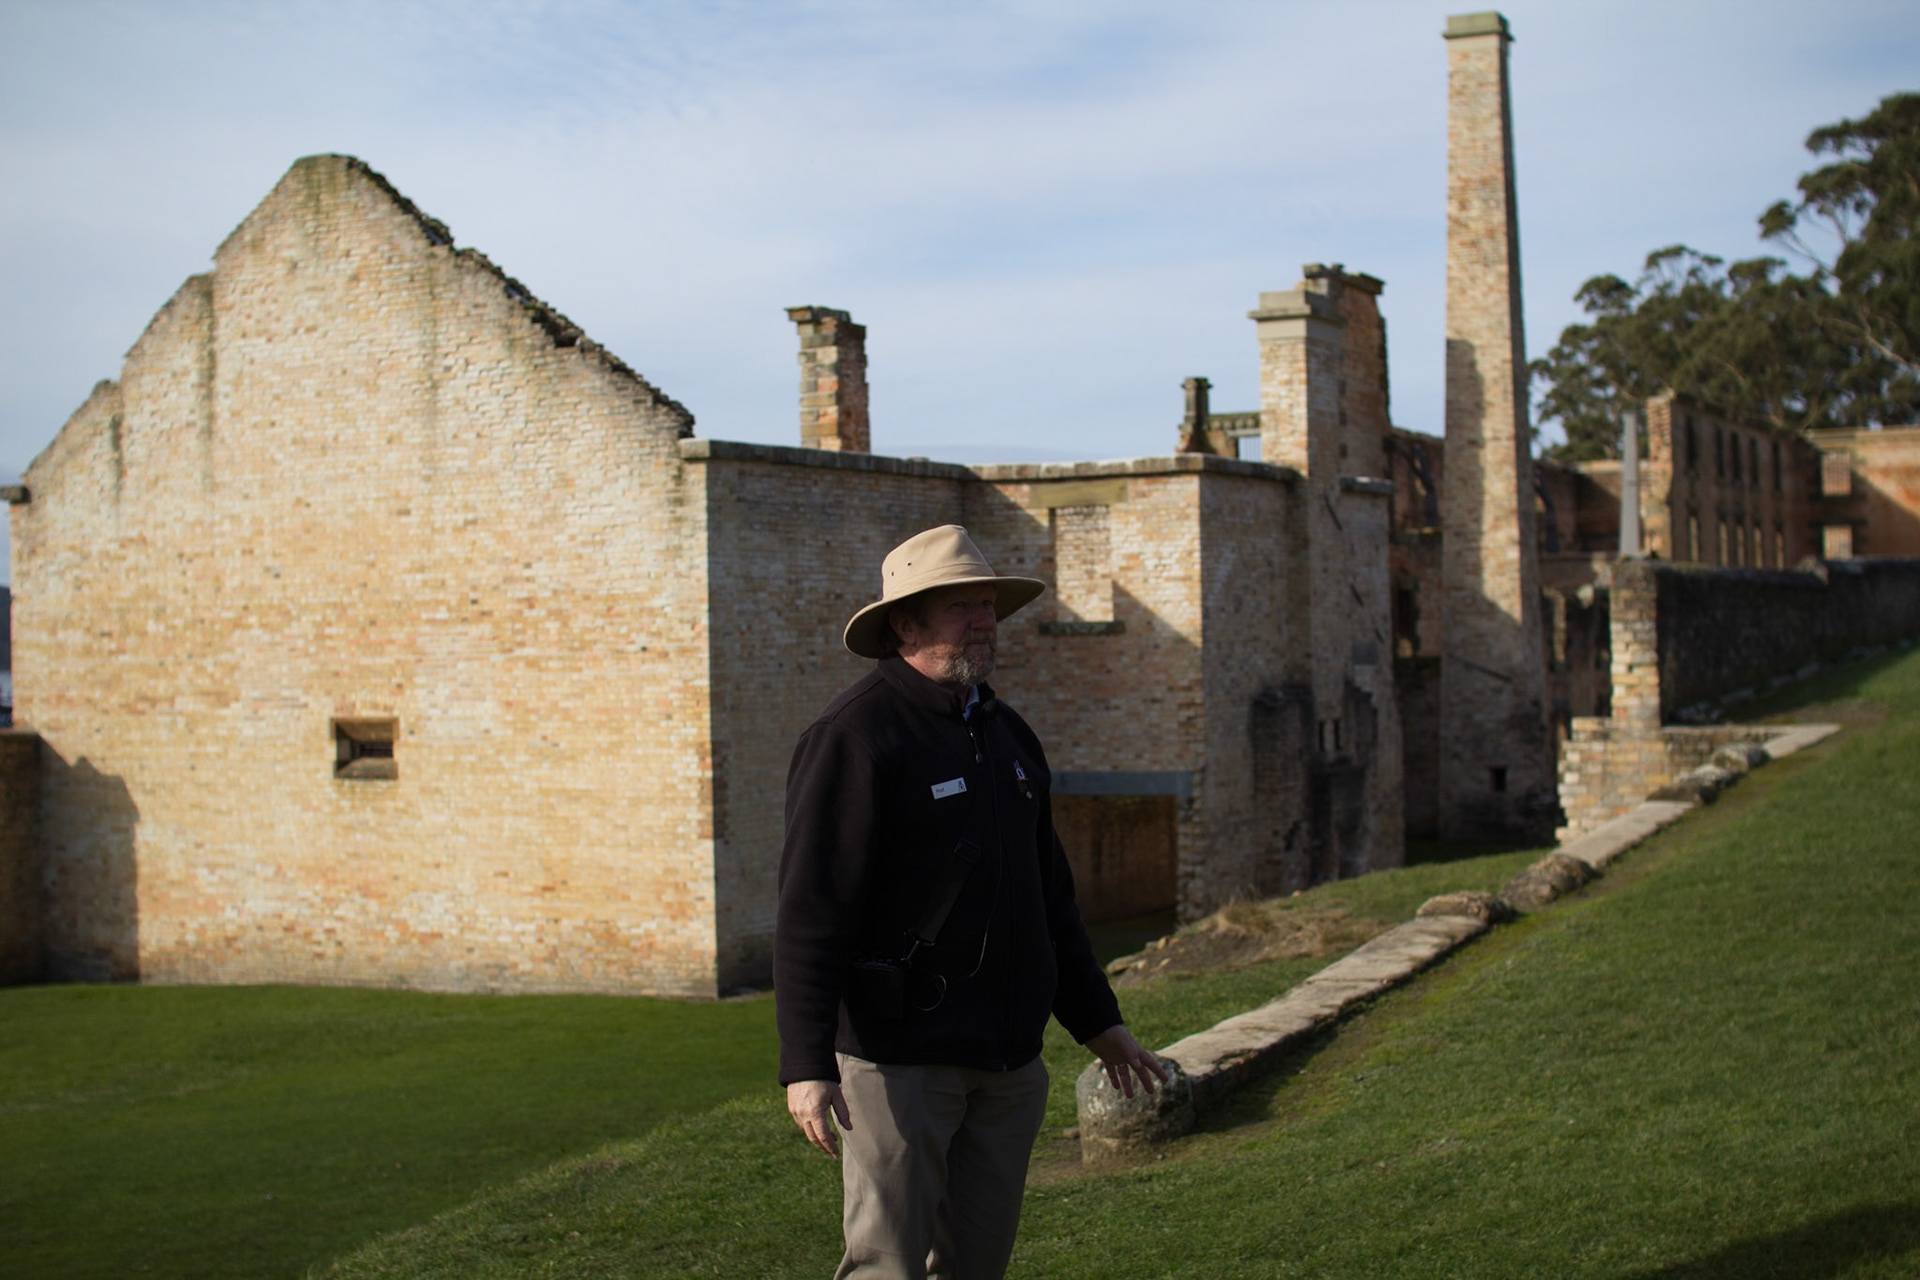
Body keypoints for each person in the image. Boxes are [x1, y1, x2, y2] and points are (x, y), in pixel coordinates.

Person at [775, 524, 1165, 1280]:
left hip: (1008, 1064)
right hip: (899, 1064)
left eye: (988, 605)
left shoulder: (1008, 734)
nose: (984, 622)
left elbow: (1049, 897)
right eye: (960, 607)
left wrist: (1100, 1023)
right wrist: (805, 1064)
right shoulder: (853, 736)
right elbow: (810, 909)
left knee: (977, 1267)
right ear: (906, 624)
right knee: (887, 1267)